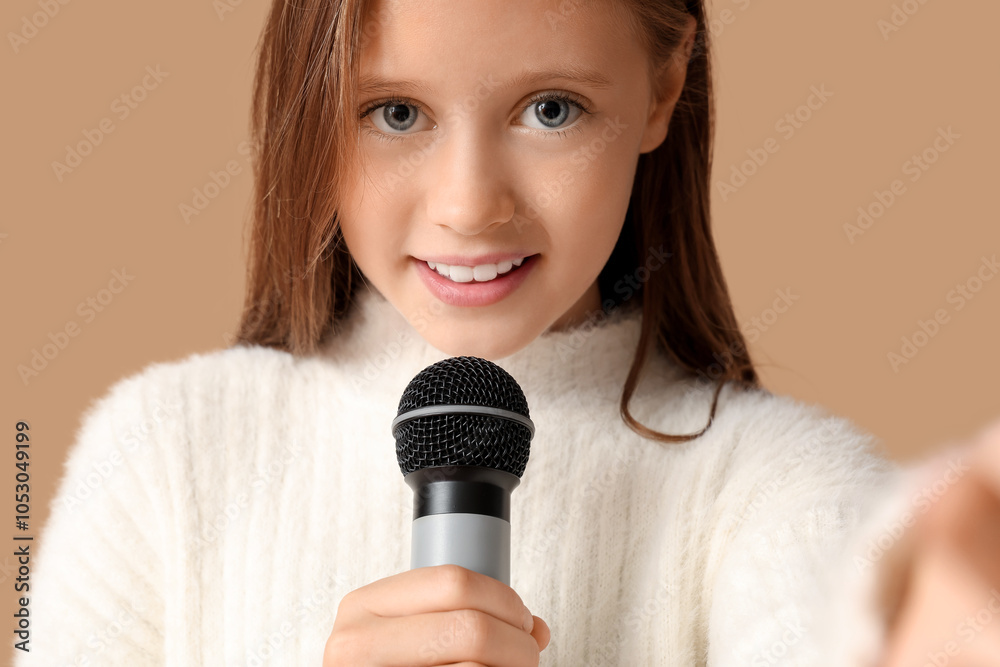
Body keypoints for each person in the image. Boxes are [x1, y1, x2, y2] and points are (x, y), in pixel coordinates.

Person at [18, 0, 1000, 665]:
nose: (469, 207)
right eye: (395, 112)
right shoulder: (157, 452)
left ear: (662, 88)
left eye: (550, 108)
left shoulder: (788, 493)